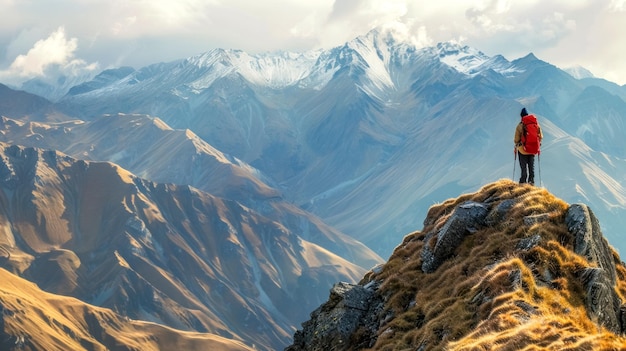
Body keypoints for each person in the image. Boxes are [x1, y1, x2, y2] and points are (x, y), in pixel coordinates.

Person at [514, 107, 542, 185]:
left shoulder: (520, 126)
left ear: (521, 116)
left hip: (523, 150)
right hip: (533, 149)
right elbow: (540, 136)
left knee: (524, 168)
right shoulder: (535, 125)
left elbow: (516, 139)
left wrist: (517, 145)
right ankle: (531, 182)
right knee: (531, 167)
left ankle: (523, 182)